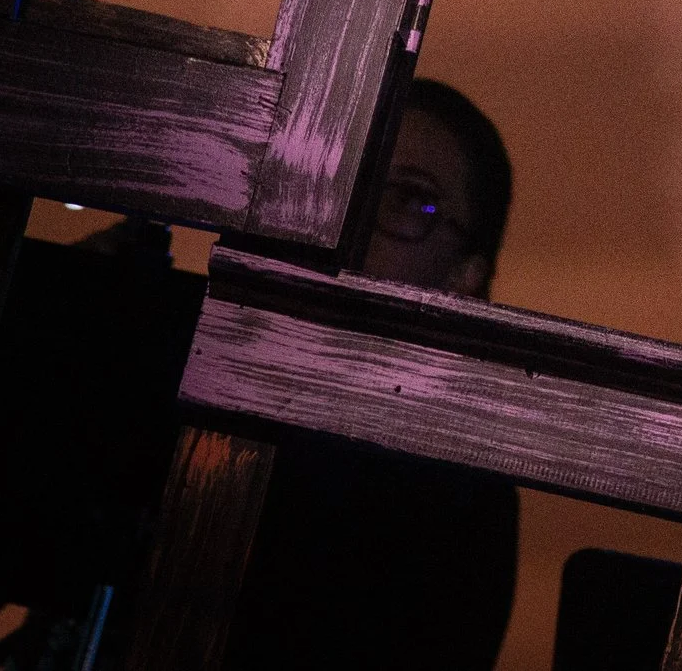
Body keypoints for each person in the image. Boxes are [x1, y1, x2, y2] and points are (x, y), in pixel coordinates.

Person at [222, 77, 521, 671]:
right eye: (346, 180)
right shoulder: (221, 362)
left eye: (410, 199)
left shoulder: (462, 494)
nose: (357, 218)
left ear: (467, 273)